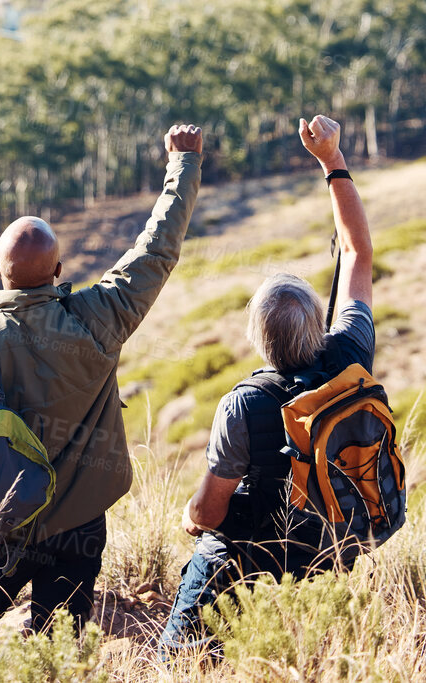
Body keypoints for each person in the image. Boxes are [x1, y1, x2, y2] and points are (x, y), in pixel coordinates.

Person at [0, 122, 205, 637]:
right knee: (59, 648)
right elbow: (157, 252)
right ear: (58, 268)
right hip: (77, 525)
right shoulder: (100, 317)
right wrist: (183, 163)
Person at [159, 114, 375, 660]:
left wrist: (189, 520)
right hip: (332, 553)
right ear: (318, 326)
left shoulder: (245, 405)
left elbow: (209, 514)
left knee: (178, 661)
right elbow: (357, 254)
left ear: (257, 338)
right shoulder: (349, 354)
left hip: (247, 564)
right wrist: (333, 162)